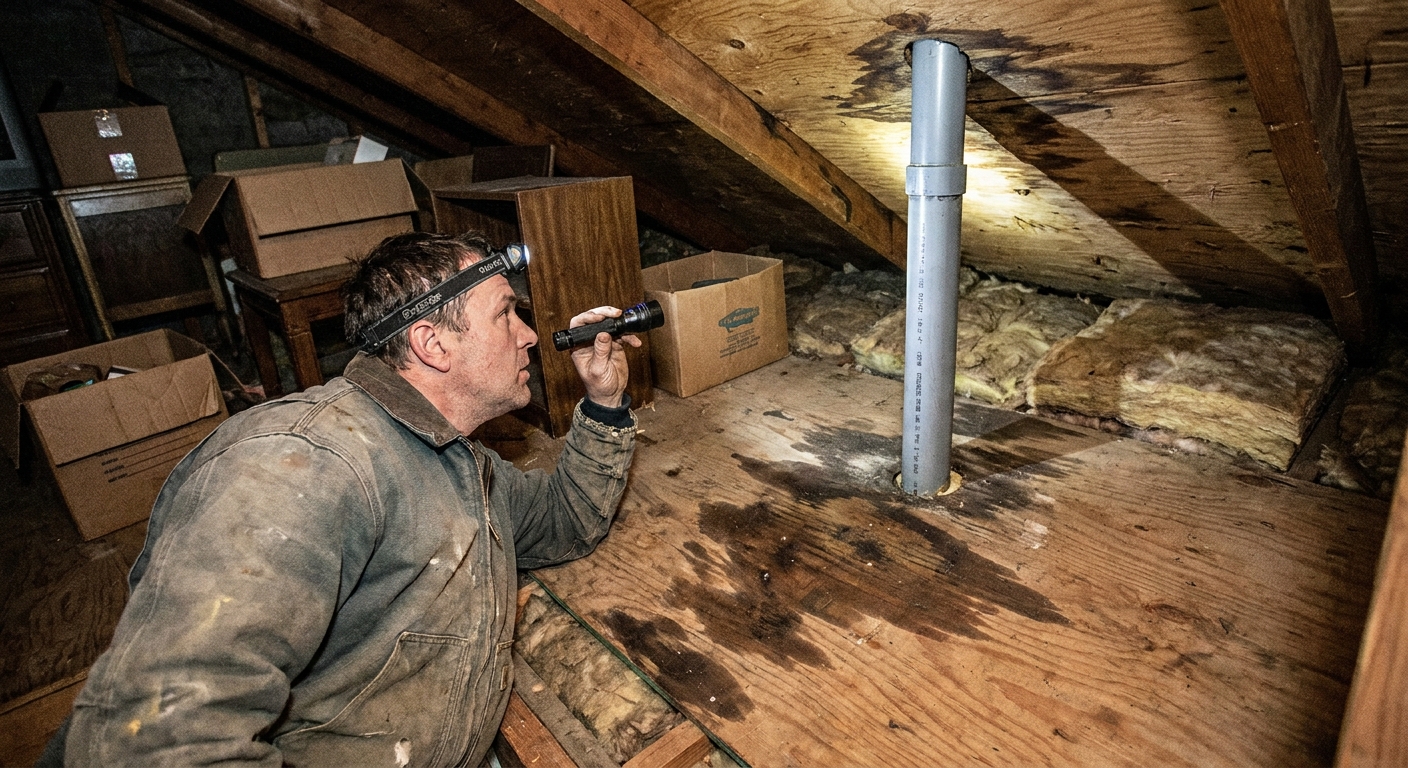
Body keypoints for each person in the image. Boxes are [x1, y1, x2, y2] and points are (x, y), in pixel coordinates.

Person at [47, 231, 640, 767]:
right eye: (506, 314)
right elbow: (146, 745)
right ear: (432, 343)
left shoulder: (459, 460)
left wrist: (605, 397)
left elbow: (567, 520)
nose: (531, 336)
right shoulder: (303, 467)